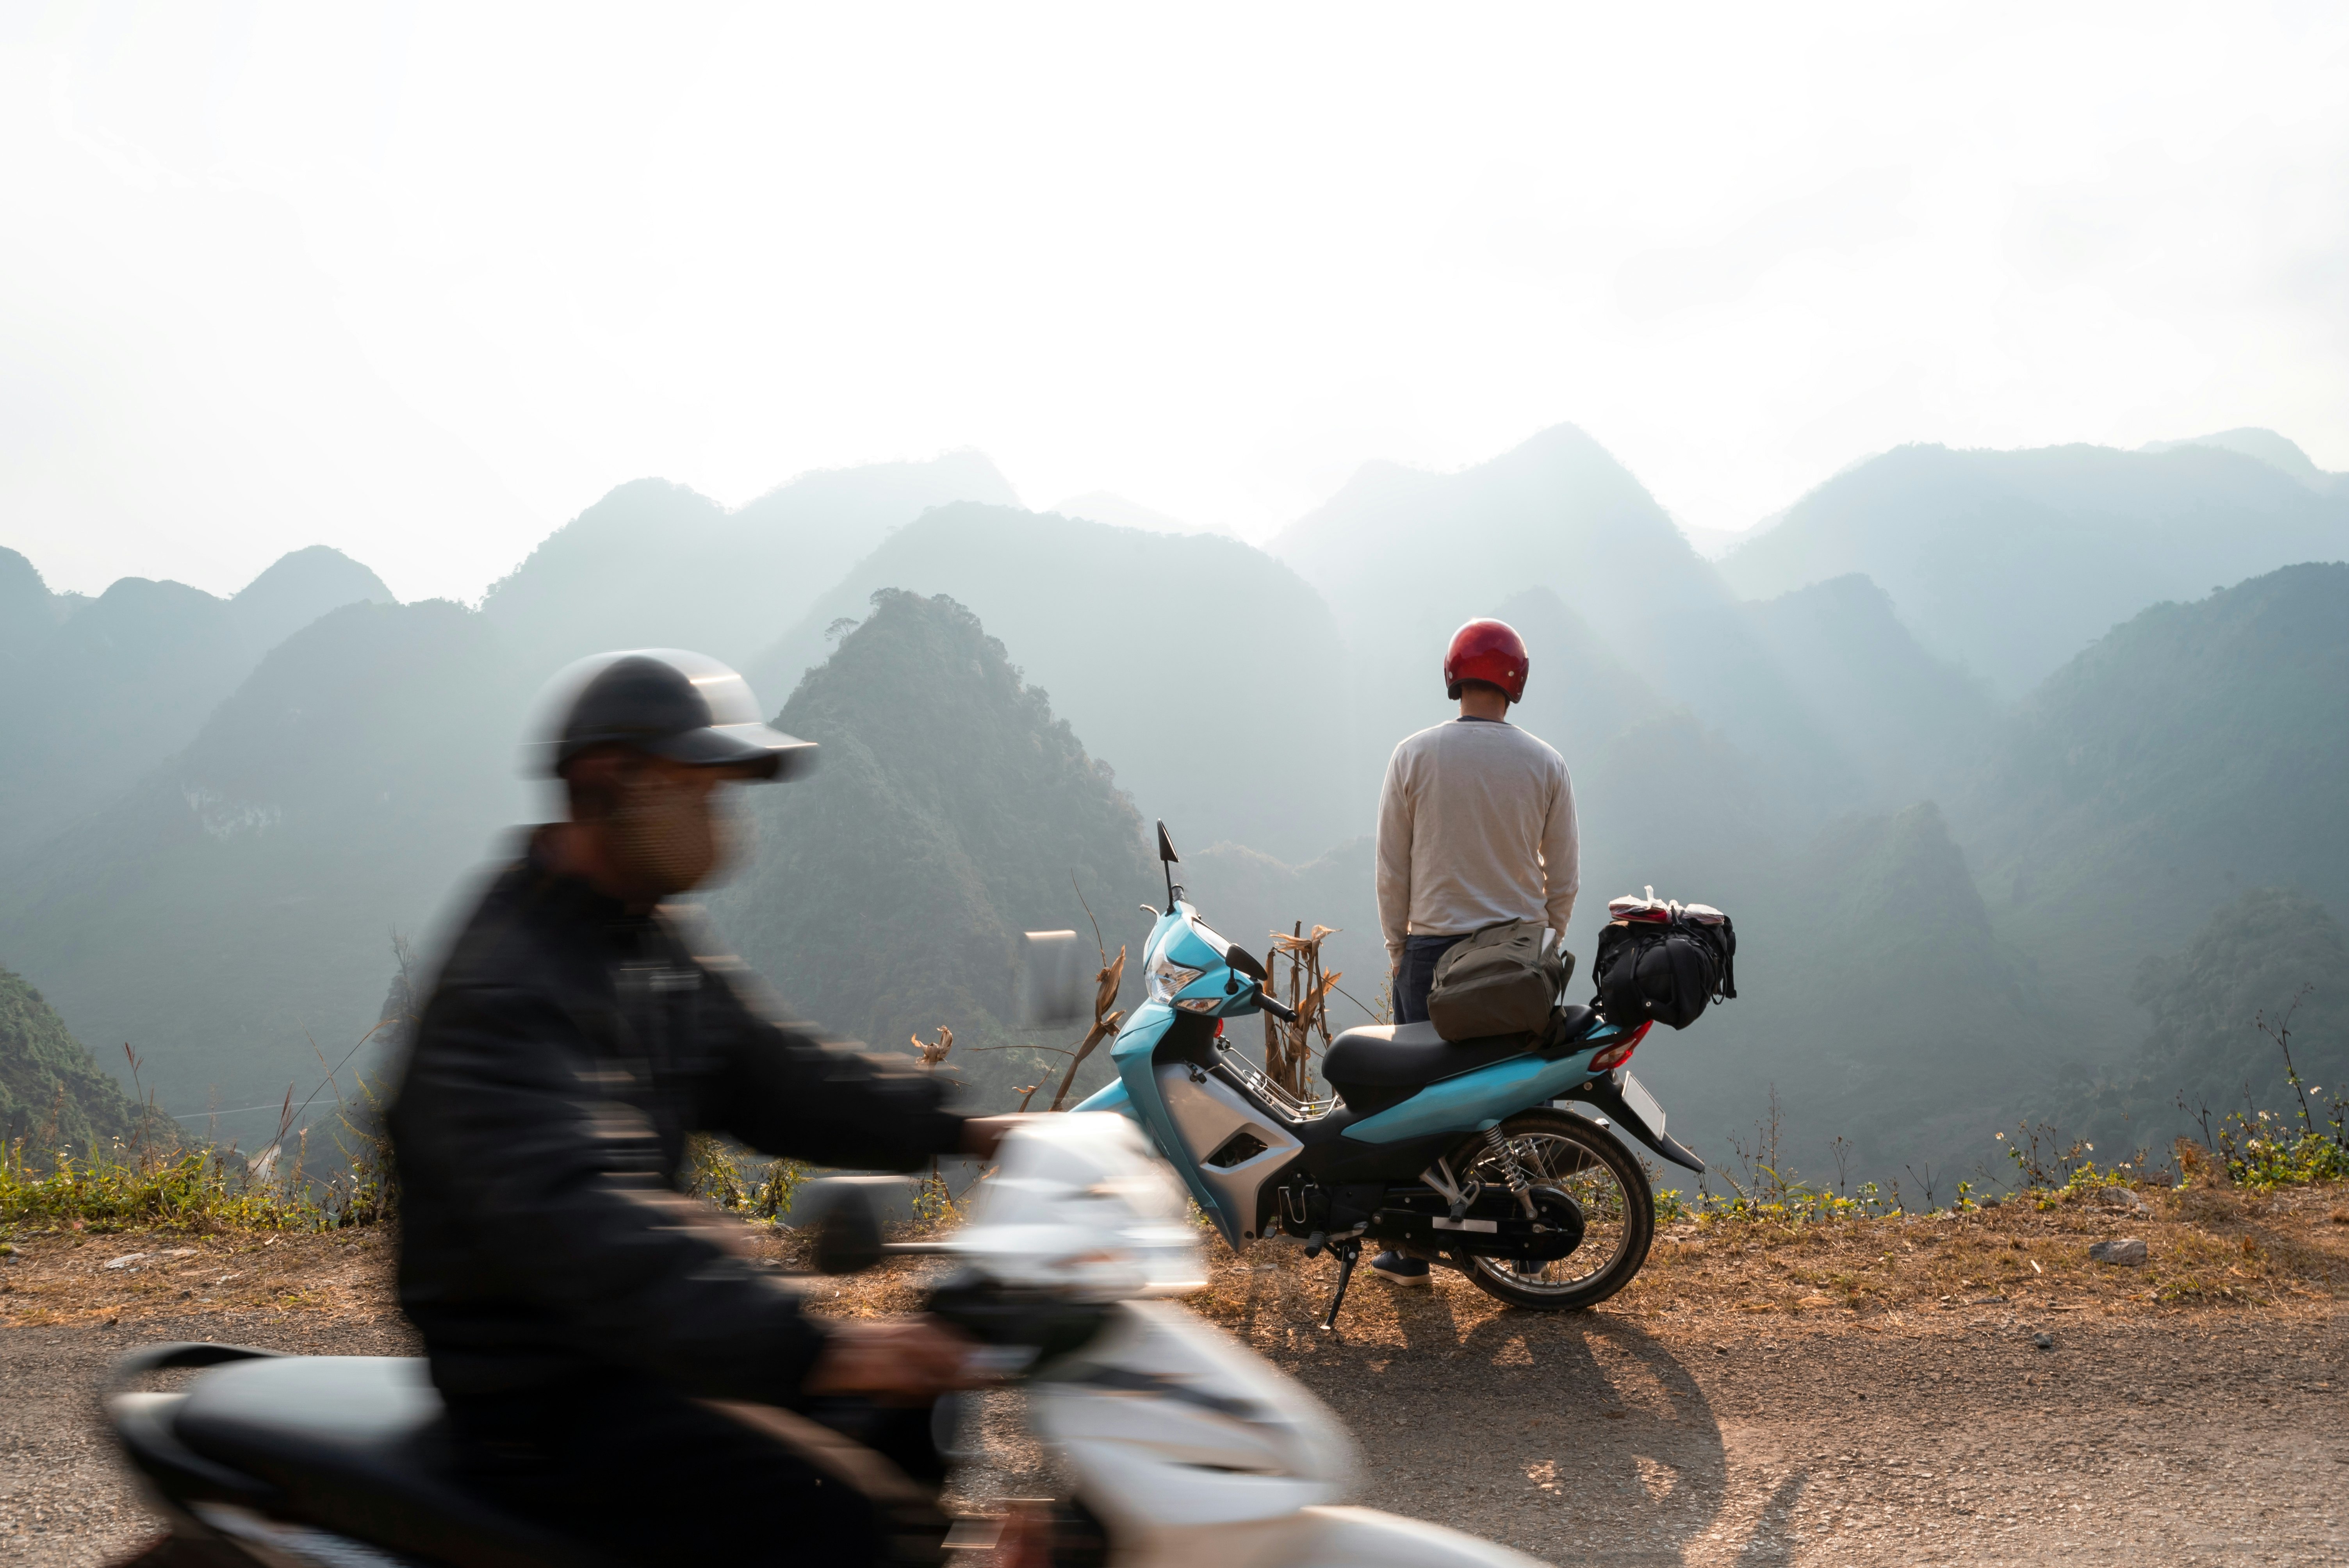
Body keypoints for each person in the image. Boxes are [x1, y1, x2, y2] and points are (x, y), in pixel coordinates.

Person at [388, 650, 1018, 1566]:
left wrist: (964, 1128)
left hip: (633, 1350)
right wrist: (811, 1345)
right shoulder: (509, 983)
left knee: (902, 1417)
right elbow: (588, 1220)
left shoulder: (638, 935)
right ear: (613, 782)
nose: (719, 820)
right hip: (550, 1393)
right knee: (844, 1515)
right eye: (701, 791)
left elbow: (774, 1071)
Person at [1368, 618, 1579, 1286]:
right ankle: (1526, 1249)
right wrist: (1546, 944)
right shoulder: (1546, 762)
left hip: (1431, 955)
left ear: (1453, 675)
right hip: (1515, 960)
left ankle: (1410, 1254)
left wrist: (1398, 948)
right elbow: (1563, 876)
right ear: (1515, 683)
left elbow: (1391, 870)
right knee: (1516, 1101)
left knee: (1417, 1104)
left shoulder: (1414, 755)